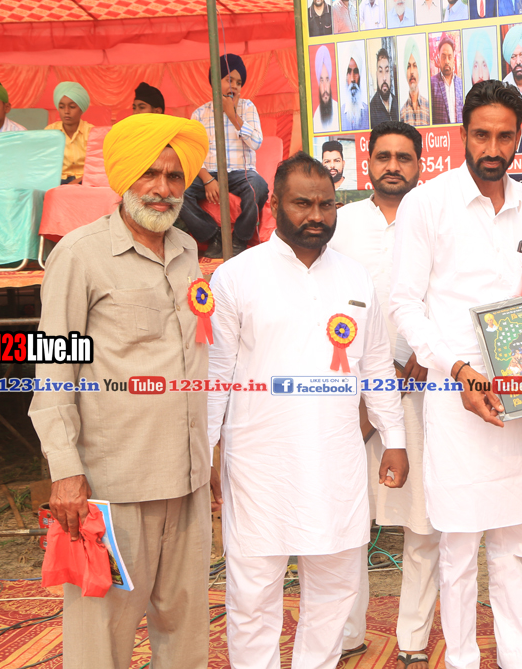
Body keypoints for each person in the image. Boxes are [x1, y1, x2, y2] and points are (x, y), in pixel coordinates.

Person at [208, 152, 409, 669]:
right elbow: (216, 373)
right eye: (303, 203)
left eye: (327, 204)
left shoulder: (356, 279)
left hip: (335, 457)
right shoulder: (235, 277)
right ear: (274, 204)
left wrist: (395, 439)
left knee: (336, 587)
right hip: (258, 461)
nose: (317, 215)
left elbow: (377, 366)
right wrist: (208, 448)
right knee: (253, 591)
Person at [29, 113, 215, 669]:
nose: (162, 188)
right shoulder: (79, 255)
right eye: (149, 174)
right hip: (114, 484)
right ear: (123, 178)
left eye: (174, 176)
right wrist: (65, 471)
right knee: (101, 637)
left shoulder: (187, 249)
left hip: (186, 479)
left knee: (185, 630)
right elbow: (53, 368)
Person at [389, 80, 522, 669]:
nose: (492, 148)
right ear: (462, 134)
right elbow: (404, 305)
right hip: (457, 397)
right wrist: (457, 370)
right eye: (481, 135)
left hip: (519, 398)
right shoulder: (427, 204)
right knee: (457, 550)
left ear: (519, 137)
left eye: (505, 136)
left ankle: (521, 660)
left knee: (516, 548)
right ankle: (461, 659)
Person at [333, 121, 441, 669]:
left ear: (420, 164)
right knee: (348, 518)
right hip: (349, 393)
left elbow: (448, 295)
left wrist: (417, 355)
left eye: (403, 156)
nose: (392, 165)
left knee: (423, 519)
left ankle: (413, 639)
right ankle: (347, 632)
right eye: (383, 156)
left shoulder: (438, 216)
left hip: (421, 386)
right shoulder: (341, 222)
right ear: (367, 162)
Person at [179, 54, 268, 258]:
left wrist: (232, 115)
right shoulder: (200, 114)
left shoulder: (247, 107)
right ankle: (213, 237)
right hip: (210, 172)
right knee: (179, 191)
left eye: (239, 82)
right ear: (215, 82)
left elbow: (256, 143)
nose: (234, 86)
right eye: (229, 80)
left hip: (241, 173)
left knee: (259, 187)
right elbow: (193, 153)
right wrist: (207, 179)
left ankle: (239, 239)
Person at [46, 81, 94, 184]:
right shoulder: (50, 132)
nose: (66, 111)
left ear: (81, 108)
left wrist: (76, 183)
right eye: (61, 107)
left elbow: (97, 167)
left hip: (85, 181)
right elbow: (44, 164)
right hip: (56, 181)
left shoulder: (91, 132)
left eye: (72, 107)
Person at [431, 34, 465, 124]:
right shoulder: (432, 84)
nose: (446, 61)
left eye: (449, 57)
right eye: (443, 57)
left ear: (454, 60)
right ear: (439, 59)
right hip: (440, 133)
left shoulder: (461, 84)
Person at [400, 38, 432, 126]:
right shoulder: (402, 113)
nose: (412, 72)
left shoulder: (429, 108)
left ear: (419, 70)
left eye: (415, 66)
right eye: (408, 66)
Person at [312, 45, 341, 133]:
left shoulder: (339, 111)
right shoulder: (316, 118)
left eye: (327, 80)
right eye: (321, 81)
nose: (325, 87)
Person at [370, 48, 400, 128]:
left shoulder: (397, 102)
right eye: (380, 71)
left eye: (387, 71)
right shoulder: (371, 109)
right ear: (376, 75)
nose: (384, 78)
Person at [341, 53, 370, 131]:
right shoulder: (339, 114)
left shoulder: (368, 112)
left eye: (356, 72)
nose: (352, 79)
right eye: (349, 72)